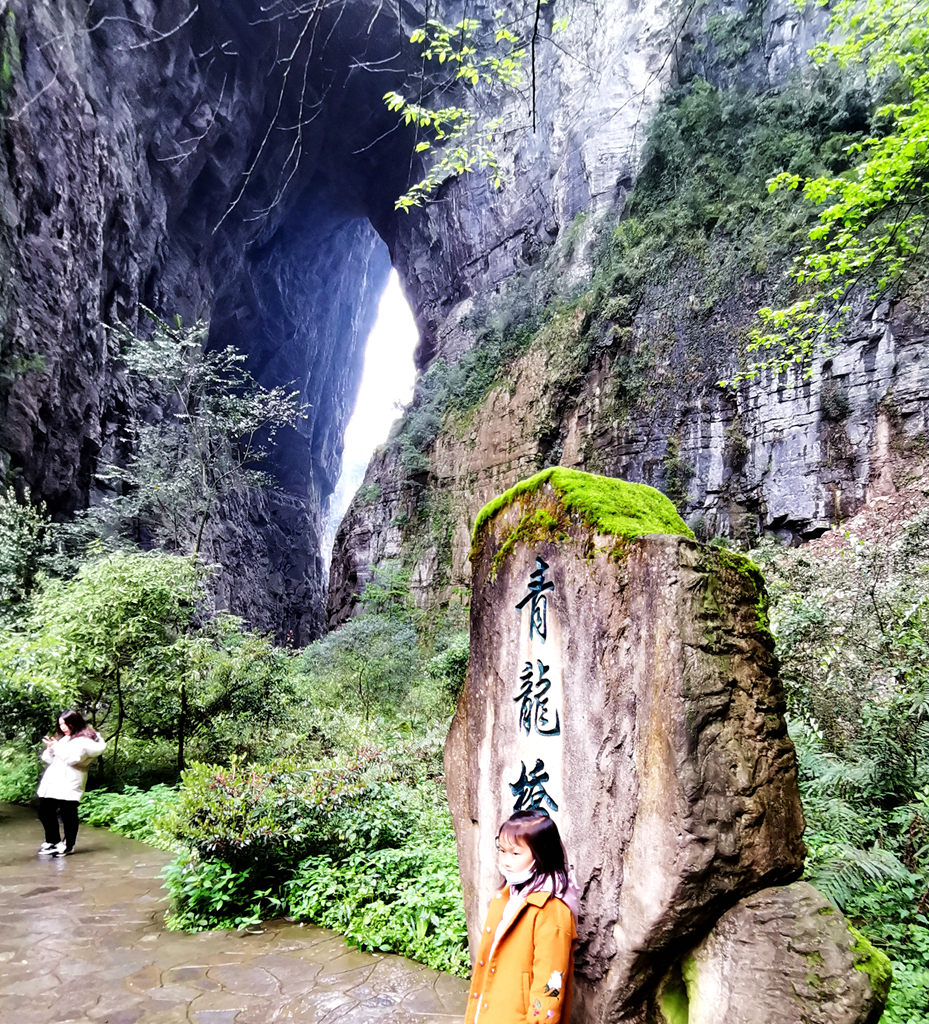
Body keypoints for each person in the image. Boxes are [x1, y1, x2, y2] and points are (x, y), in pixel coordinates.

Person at [465, 810, 578, 1024]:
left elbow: (549, 987)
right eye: (502, 851)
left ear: (541, 854)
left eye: (516, 854)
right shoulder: (509, 893)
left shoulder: (552, 909)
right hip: (493, 1010)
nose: (506, 861)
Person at [36, 710, 106, 856]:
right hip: (54, 780)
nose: (63, 727)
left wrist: (56, 748)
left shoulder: (84, 741)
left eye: (66, 724)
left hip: (71, 781)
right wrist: (50, 749)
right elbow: (51, 760)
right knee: (44, 810)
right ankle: (53, 841)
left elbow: (73, 759)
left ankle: (68, 845)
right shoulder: (65, 739)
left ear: (75, 723)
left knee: (68, 814)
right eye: (61, 724)